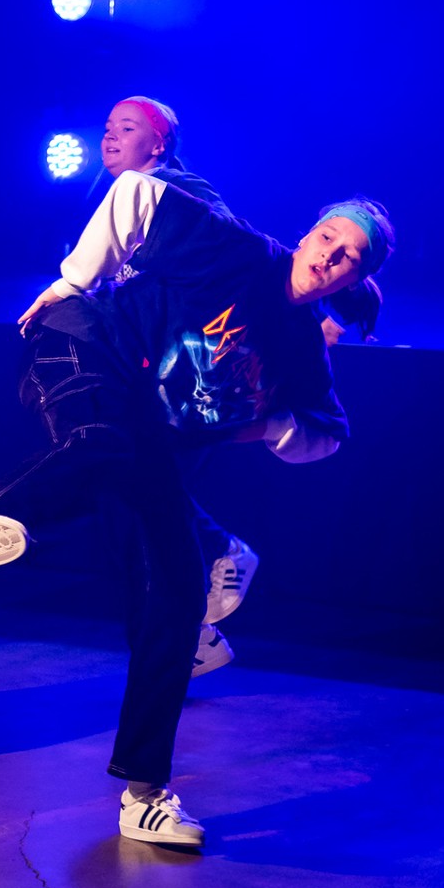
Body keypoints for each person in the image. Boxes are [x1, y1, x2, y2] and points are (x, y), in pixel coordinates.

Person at [0, 171, 394, 848]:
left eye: (349, 257)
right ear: (308, 234)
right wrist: (72, 281)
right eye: (328, 238)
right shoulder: (241, 251)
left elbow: (328, 433)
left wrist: (259, 426)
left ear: (355, 277)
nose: (330, 256)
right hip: (82, 343)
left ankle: (145, 797)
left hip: (148, 439)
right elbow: (133, 192)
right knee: (98, 439)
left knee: (179, 602)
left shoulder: (302, 347)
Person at [97, 95, 385, 674]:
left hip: (194, 386)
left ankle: (202, 594)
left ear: (158, 144)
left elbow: (241, 261)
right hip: (153, 375)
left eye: (126, 128)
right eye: (108, 126)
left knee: (144, 507)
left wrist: (263, 410)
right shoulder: (119, 194)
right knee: (139, 504)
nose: (110, 137)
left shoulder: (181, 192)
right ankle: (193, 628)